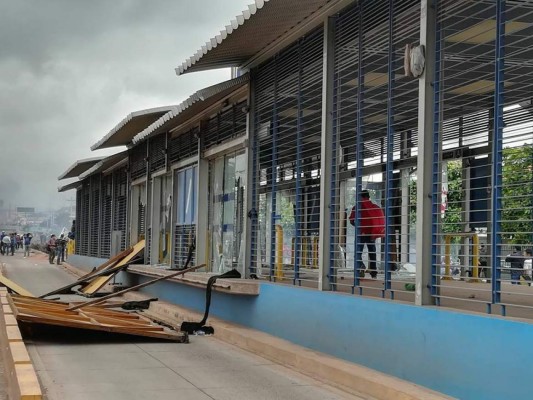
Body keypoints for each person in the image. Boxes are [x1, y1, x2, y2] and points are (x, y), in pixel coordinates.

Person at [349, 190, 385, 279]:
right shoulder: (375, 207)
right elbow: (380, 220)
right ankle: (373, 272)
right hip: (372, 233)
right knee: (372, 252)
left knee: (357, 253)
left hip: (361, 233)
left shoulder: (357, 207)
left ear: (360, 197)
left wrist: (359, 226)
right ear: (368, 197)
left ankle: (361, 267)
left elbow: (351, 220)